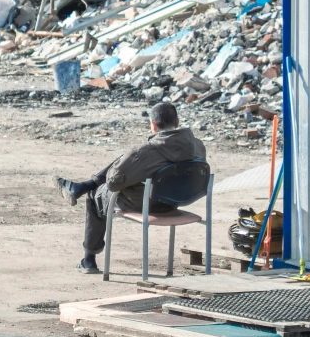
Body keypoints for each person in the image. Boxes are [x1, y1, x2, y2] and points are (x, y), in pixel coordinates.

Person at [56, 98, 209, 273]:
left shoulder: (146, 152)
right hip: (178, 201)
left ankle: (89, 258)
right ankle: (82, 186)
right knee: (129, 161)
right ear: (178, 122)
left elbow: (113, 184)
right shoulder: (198, 146)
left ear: (153, 125)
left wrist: (125, 164)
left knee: (95, 195)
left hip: (146, 203)